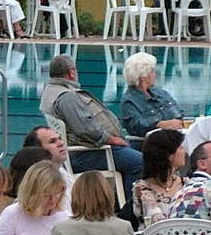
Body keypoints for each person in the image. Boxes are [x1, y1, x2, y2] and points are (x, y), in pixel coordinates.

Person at [40, 54, 143, 196]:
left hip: (85, 150)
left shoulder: (51, 91)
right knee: (139, 162)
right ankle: (129, 209)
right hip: (87, 153)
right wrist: (112, 139)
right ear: (71, 72)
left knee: (131, 154)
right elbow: (85, 129)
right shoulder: (66, 97)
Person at [0, 161, 70, 235]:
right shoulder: (13, 214)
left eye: (57, 193)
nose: (53, 199)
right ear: (32, 193)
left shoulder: (65, 217)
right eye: (46, 195)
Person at [119, 52, 183, 137]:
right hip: (152, 144)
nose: (155, 75)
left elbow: (180, 114)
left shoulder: (161, 94)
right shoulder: (129, 102)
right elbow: (137, 126)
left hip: (176, 138)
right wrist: (159, 124)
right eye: (152, 72)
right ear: (143, 76)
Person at [131, 129, 185, 226]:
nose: (185, 151)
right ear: (170, 155)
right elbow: (156, 221)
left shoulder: (186, 184)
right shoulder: (143, 189)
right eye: (181, 148)